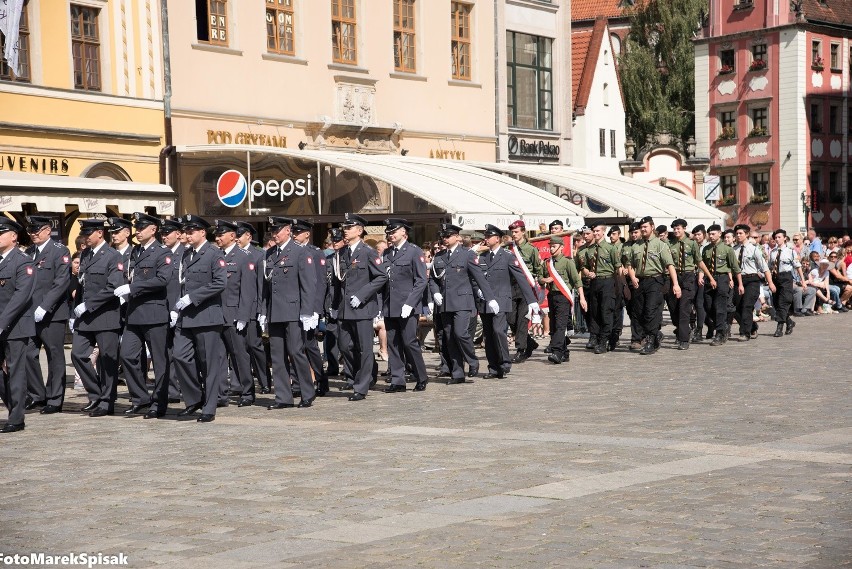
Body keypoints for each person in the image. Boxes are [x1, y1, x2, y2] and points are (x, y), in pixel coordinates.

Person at [113, 213, 174, 417]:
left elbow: (162, 279)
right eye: (136, 228)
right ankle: (140, 398)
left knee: (159, 361)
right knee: (127, 355)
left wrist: (133, 287)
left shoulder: (162, 252)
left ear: (153, 230)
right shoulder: (135, 251)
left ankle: (159, 403)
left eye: (141, 228)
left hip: (154, 313)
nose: (137, 232)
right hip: (134, 313)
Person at [171, 215, 228, 423]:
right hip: (186, 317)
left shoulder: (214, 254)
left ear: (202, 233)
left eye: (191, 231)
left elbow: (220, 283)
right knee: (179, 356)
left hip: (207, 316)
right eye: (186, 231)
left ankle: (209, 406)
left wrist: (193, 297)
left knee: (208, 363)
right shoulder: (187, 255)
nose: (187, 235)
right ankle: (195, 398)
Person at [260, 217, 318, 408]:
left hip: (294, 311)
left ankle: (307, 392)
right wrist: (262, 311)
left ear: (287, 230)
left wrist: (307, 312)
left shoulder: (300, 252)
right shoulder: (269, 254)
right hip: (274, 311)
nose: (274, 235)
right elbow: (266, 287)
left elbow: (309, 285)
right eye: (272, 232)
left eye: (277, 231)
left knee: (295, 351)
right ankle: (283, 397)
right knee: (277, 356)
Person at [429, 223, 497, 384]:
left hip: (463, 301)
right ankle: (457, 373)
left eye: (448, 236)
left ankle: (472, 360)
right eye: (443, 237)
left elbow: (479, 278)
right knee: (450, 337)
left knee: (460, 333)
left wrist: (490, 297)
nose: (444, 239)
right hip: (445, 303)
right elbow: (432, 279)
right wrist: (435, 292)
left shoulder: (467, 255)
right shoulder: (439, 256)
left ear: (457, 237)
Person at [71, 219, 125, 417]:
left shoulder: (113, 256)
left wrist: (89, 304)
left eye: (88, 233)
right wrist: (76, 309)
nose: (85, 237)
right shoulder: (85, 254)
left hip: (105, 315)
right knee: (78, 354)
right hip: (85, 317)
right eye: (84, 233)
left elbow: (113, 287)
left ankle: (107, 401)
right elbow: (82, 285)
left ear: (100, 233)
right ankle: (95, 394)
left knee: (108, 361)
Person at [330, 213, 387, 401]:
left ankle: (361, 387)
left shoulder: (368, 252)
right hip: (345, 308)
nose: (345, 231)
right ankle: (365, 373)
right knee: (345, 346)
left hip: (362, 307)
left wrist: (362, 295)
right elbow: (338, 282)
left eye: (349, 227)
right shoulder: (342, 253)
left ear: (359, 230)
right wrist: (333, 305)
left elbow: (381, 277)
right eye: (344, 228)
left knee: (364, 347)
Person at [23, 216, 71, 414]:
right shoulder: (29, 252)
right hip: (30, 313)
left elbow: (61, 282)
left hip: (52, 314)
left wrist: (45, 306)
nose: (33, 234)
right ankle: (37, 395)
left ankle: (54, 398)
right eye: (30, 231)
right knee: (28, 353)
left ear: (47, 230)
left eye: (37, 230)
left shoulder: (60, 251)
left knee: (55, 355)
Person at [479, 224, 537, 377]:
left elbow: (521, 278)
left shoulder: (507, 256)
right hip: (485, 302)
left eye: (488, 236)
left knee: (498, 331)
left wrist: (532, 300)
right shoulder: (482, 257)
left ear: (497, 239)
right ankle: (493, 368)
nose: (486, 238)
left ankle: (505, 362)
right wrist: (477, 289)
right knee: (489, 335)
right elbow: (476, 277)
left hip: (501, 301)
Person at [381, 218, 429, 392]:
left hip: (407, 306)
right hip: (390, 305)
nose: (391, 234)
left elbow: (421, 280)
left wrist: (410, 303)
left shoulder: (414, 252)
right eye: (389, 232)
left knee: (409, 343)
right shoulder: (386, 253)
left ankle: (421, 376)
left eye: (394, 231)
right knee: (393, 344)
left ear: (404, 232)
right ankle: (398, 380)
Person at [213, 220, 257, 407]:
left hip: (234, 315)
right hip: (216, 314)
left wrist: (243, 316)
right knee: (219, 357)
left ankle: (247, 391)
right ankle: (221, 394)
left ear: (232, 235)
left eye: (221, 234)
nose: (217, 238)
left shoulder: (243, 257)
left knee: (240, 355)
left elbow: (247, 291)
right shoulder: (215, 255)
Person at [624, 216, 681, 355]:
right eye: (641, 227)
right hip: (640, 281)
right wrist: (632, 277)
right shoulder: (636, 245)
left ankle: (650, 340)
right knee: (640, 313)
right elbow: (630, 264)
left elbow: (670, 265)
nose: (643, 229)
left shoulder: (660, 245)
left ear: (652, 227)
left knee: (650, 311)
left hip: (655, 281)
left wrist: (676, 284)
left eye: (645, 227)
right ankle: (655, 335)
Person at [0, 218, 36, 433]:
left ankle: (16, 418)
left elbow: (20, 297)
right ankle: (14, 406)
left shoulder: (22, 261)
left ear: (13, 236)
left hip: (15, 326)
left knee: (15, 371)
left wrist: (1, 323)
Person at [292, 218, 329, 397]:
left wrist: (316, 310)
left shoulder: (315, 253)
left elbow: (320, 283)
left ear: (307, 234)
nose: (294, 235)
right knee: (293, 347)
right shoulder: (290, 251)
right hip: (293, 307)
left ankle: (321, 379)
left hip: (309, 307)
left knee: (310, 346)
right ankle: (298, 383)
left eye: (298, 232)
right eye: (293, 231)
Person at [236, 221, 271, 394]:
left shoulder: (257, 255)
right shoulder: (231, 254)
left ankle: (264, 381)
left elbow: (260, 286)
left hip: (252, 310)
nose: (236, 239)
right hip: (235, 309)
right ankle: (240, 384)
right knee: (239, 349)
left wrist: (261, 311)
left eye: (239, 235)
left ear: (248, 236)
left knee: (255, 347)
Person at [666, 219, 711, 350]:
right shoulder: (670, 244)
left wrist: (709, 277)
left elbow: (699, 262)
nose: (676, 231)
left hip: (688, 277)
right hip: (674, 277)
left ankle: (683, 339)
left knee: (684, 308)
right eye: (674, 229)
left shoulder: (692, 244)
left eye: (678, 228)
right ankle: (683, 329)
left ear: (684, 228)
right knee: (674, 309)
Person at [541, 235, 585, 364]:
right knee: (554, 326)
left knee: (560, 326)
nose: (551, 249)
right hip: (552, 296)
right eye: (550, 246)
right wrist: (544, 280)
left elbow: (577, 280)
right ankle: (565, 352)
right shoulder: (547, 262)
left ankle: (557, 352)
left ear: (561, 247)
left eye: (554, 246)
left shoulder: (567, 262)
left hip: (563, 296)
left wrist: (582, 298)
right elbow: (540, 277)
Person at [578, 224, 620, 354]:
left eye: (597, 231)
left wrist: (619, 287)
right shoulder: (589, 250)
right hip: (594, 282)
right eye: (594, 231)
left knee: (606, 312)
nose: (595, 233)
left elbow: (617, 268)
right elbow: (583, 266)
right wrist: (587, 272)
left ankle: (604, 340)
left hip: (608, 281)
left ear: (603, 232)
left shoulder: (610, 248)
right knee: (594, 312)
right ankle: (594, 337)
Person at [506, 220, 543, 363]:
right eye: (512, 232)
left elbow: (537, 269)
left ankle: (521, 349)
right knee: (510, 318)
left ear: (523, 232)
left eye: (516, 232)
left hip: (526, 288)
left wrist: (539, 285)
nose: (513, 234)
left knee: (522, 319)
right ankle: (530, 343)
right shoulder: (509, 249)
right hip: (511, 286)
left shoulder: (531, 249)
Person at [731, 224, 775, 341]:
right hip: (738, 280)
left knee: (747, 306)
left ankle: (744, 333)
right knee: (736, 308)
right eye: (737, 233)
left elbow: (764, 267)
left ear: (747, 234)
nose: (738, 235)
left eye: (741, 233)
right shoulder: (733, 250)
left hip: (752, 280)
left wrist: (770, 282)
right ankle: (752, 326)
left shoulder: (754, 249)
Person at [700, 224, 742, 346]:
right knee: (708, 306)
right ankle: (723, 326)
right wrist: (701, 275)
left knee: (720, 307)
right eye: (710, 234)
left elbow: (735, 267)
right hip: (709, 279)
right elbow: (703, 265)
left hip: (722, 278)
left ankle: (719, 333)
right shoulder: (706, 249)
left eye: (713, 234)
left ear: (720, 233)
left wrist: (739, 284)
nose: (711, 236)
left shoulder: (727, 249)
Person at [160, 218, 185, 402]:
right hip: (162, 309)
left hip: (181, 310)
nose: (164, 236)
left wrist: (177, 307)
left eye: (168, 233)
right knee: (165, 352)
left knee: (181, 354)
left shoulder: (186, 254)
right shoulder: (160, 254)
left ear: (178, 234)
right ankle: (171, 391)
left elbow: (185, 285)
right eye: (162, 233)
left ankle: (187, 387)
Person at [768, 229, 805, 336]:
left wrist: (803, 281)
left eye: (779, 237)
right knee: (776, 303)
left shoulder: (790, 251)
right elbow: (770, 267)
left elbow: (798, 266)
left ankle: (779, 328)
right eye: (775, 237)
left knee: (783, 302)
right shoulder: (773, 252)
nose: (777, 239)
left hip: (786, 277)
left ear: (785, 238)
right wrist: (770, 281)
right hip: (775, 278)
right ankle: (789, 322)